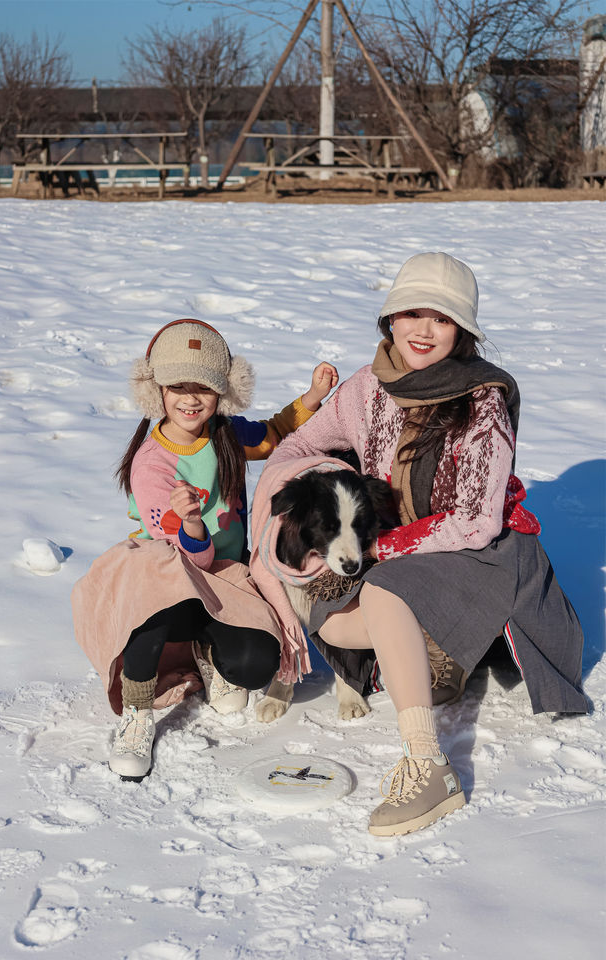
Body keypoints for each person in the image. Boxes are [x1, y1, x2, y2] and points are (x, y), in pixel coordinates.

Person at [251, 252, 587, 837]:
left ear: (463, 329)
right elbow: (294, 450)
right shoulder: (367, 387)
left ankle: (427, 764)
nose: (423, 331)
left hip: (478, 553)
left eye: (442, 317)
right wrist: (325, 485)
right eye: (410, 314)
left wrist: (378, 551)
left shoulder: (482, 399)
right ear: (389, 321)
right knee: (332, 623)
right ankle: (435, 650)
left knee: (379, 598)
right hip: (393, 551)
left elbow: (475, 521)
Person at [71, 318, 338, 781]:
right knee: (147, 611)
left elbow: (273, 434)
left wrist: (313, 398)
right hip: (168, 580)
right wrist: (192, 521)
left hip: (225, 577)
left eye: (205, 388)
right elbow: (187, 557)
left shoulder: (225, 433)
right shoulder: (152, 463)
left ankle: (208, 653)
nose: (191, 399)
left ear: (224, 391)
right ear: (157, 390)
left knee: (255, 667)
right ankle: (137, 713)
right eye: (178, 386)